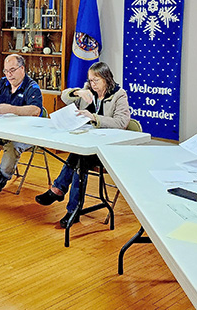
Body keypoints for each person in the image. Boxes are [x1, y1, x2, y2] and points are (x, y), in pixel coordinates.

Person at [34, 62, 130, 228]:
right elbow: (64, 96)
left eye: (96, 81)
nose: (92, 84)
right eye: (90, 80)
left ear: (106, 79)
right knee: (80, 157)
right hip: (89, 144)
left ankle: (62, 195)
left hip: (108, 149)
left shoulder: (118, 95)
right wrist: (79, 91)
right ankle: (72, 209)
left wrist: (94, 117)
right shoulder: (88, 90)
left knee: (80, 159)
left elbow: (122, 122)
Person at [0, 54, 43, 197]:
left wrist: (11, 109)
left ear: (22, 69)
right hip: (1, 130)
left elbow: (36, 111)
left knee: (12, 146)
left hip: (25, 134)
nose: (9, 75)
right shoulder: (2, 83)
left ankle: (2, 178)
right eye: (6, 71)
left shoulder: (32, 87)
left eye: (12, 70)